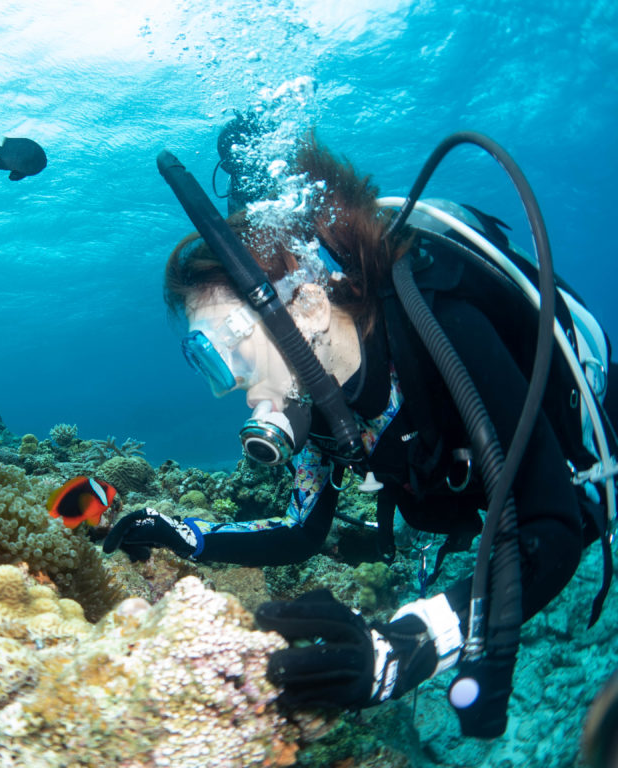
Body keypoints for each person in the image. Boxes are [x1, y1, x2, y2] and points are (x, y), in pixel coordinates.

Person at [103, 130, 617, 736]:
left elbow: (553, 528)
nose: (237, 387)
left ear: (311, 311)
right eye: (212, 365)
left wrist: (406, 646)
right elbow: (300, 529)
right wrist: (189, 535)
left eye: (234, 353)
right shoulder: (314, 409)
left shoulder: (445, 330)